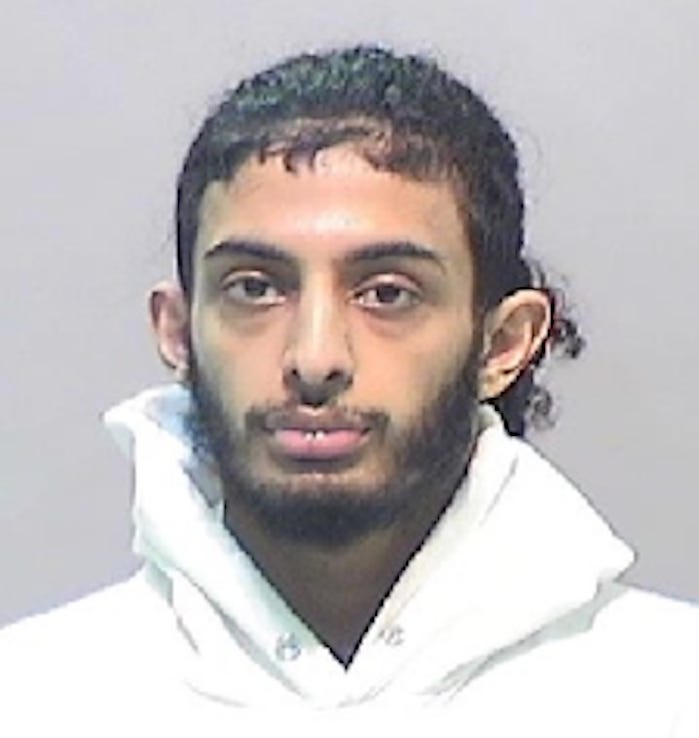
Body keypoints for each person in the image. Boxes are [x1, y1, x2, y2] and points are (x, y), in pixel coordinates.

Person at [0, 45, 696, 734]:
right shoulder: (32, 698)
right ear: (179, 333)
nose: (314, 358)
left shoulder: (670, 692)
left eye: (387, 293)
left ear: (504, 343)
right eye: (255, 288)